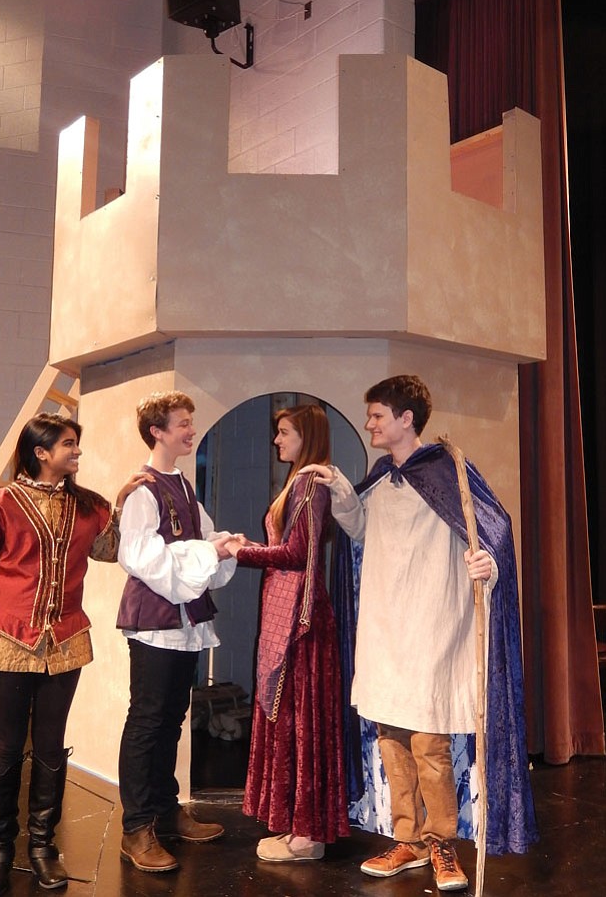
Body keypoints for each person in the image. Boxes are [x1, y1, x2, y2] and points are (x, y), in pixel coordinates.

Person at [303, 375, 537, 891]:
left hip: (433, 624)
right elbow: (360, 528)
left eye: (378, 416)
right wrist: (343, 490)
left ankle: (440, 843)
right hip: (387, 625)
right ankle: (406, 838)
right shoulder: (382, 478)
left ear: (406, 419)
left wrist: (487, 562)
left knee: (430, 741)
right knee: (390, 737)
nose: (370, 424)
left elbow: (493, 530)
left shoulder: (448, 471)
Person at [0, 412, 146, 897]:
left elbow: (109, 551)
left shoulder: (87, 506)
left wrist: (122, 505)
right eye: (69, 444)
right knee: (8, 747)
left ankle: (42, 847)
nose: (76, 452)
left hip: (66, 642)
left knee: (52, 746)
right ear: (41, 452)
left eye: (76, 444)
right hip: (7, 643)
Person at [115, 391, 237, 874]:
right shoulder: (143, 491)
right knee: (147, 721)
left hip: (183, 620)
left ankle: (165, 809)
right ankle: (135, 827)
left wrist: (223, 545)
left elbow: (198, 540)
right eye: (182, 424)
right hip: (154, 621)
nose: (191, 430)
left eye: (191, 422)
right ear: (157, 432)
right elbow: (141, 558)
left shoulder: (184, 486)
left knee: (171, 716)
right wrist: (208, 555)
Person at [224, 404, 350, 862]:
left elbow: (296, 554)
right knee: (292, 718)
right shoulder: (301, 482)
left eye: (284, 433)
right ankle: (298, 825)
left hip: (304, 620)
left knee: (301, 719)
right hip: (294, 611)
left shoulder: (309, 485)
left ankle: (308, 834)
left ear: (305, 435)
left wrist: (242, 552)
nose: (277, 441)